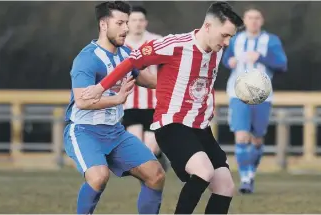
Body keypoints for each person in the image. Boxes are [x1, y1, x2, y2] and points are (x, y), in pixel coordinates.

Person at [80, 2, 243, 214]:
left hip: (201, 128)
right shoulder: (174, 45)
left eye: (231, 37)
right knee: (203, 171)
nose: (227, 42)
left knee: (225, 187)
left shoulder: (216, 49)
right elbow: (131, 62)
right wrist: (100, 88)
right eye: (225, 35)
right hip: (172, 125)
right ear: (208, 26)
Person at [63, 1, 165, 214]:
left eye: (126, 23)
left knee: (156, 175)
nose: (126, 28)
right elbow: (82, 101)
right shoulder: (87, 59)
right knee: (99, 177)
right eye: (120, 23)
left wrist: (180, 79)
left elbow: (147, 79)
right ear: (103, 24)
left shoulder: (126, 52)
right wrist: (116, 100)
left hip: (115, 131)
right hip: (84, 131)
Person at [222, 7, 287, 194]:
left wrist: (262, 58)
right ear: (244, 20)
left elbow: (282, 65)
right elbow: (225, 59)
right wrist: (229, 62)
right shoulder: (235, 39)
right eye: (250, 18)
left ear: (262, 21)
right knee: (241, 135)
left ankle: (251, 171)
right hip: (238, 92)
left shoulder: (271, 41)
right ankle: (245, 177)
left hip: (262, 93)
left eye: (257, 18)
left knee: (257, 138)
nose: (253, 21)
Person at [122, 5, 169, 171]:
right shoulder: (121, 43)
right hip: (129, 103)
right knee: (136, 146)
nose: (137, 24)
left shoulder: (157, 41)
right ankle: (146, 175)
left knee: (150, 148)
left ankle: (157, 156)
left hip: (154, 104)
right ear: (127, 23)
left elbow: (169, 66)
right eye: (134, 20)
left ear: (146, 22)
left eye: (141, 20)